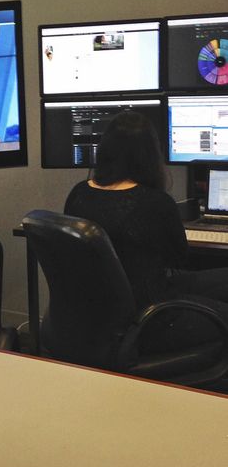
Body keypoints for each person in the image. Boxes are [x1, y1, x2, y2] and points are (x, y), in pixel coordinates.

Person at [64, 110, 228, 350]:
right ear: (151, 155)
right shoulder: (155, 202)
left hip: (97, 313)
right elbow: (179, 257)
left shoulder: (78, 193)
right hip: (148, 318)